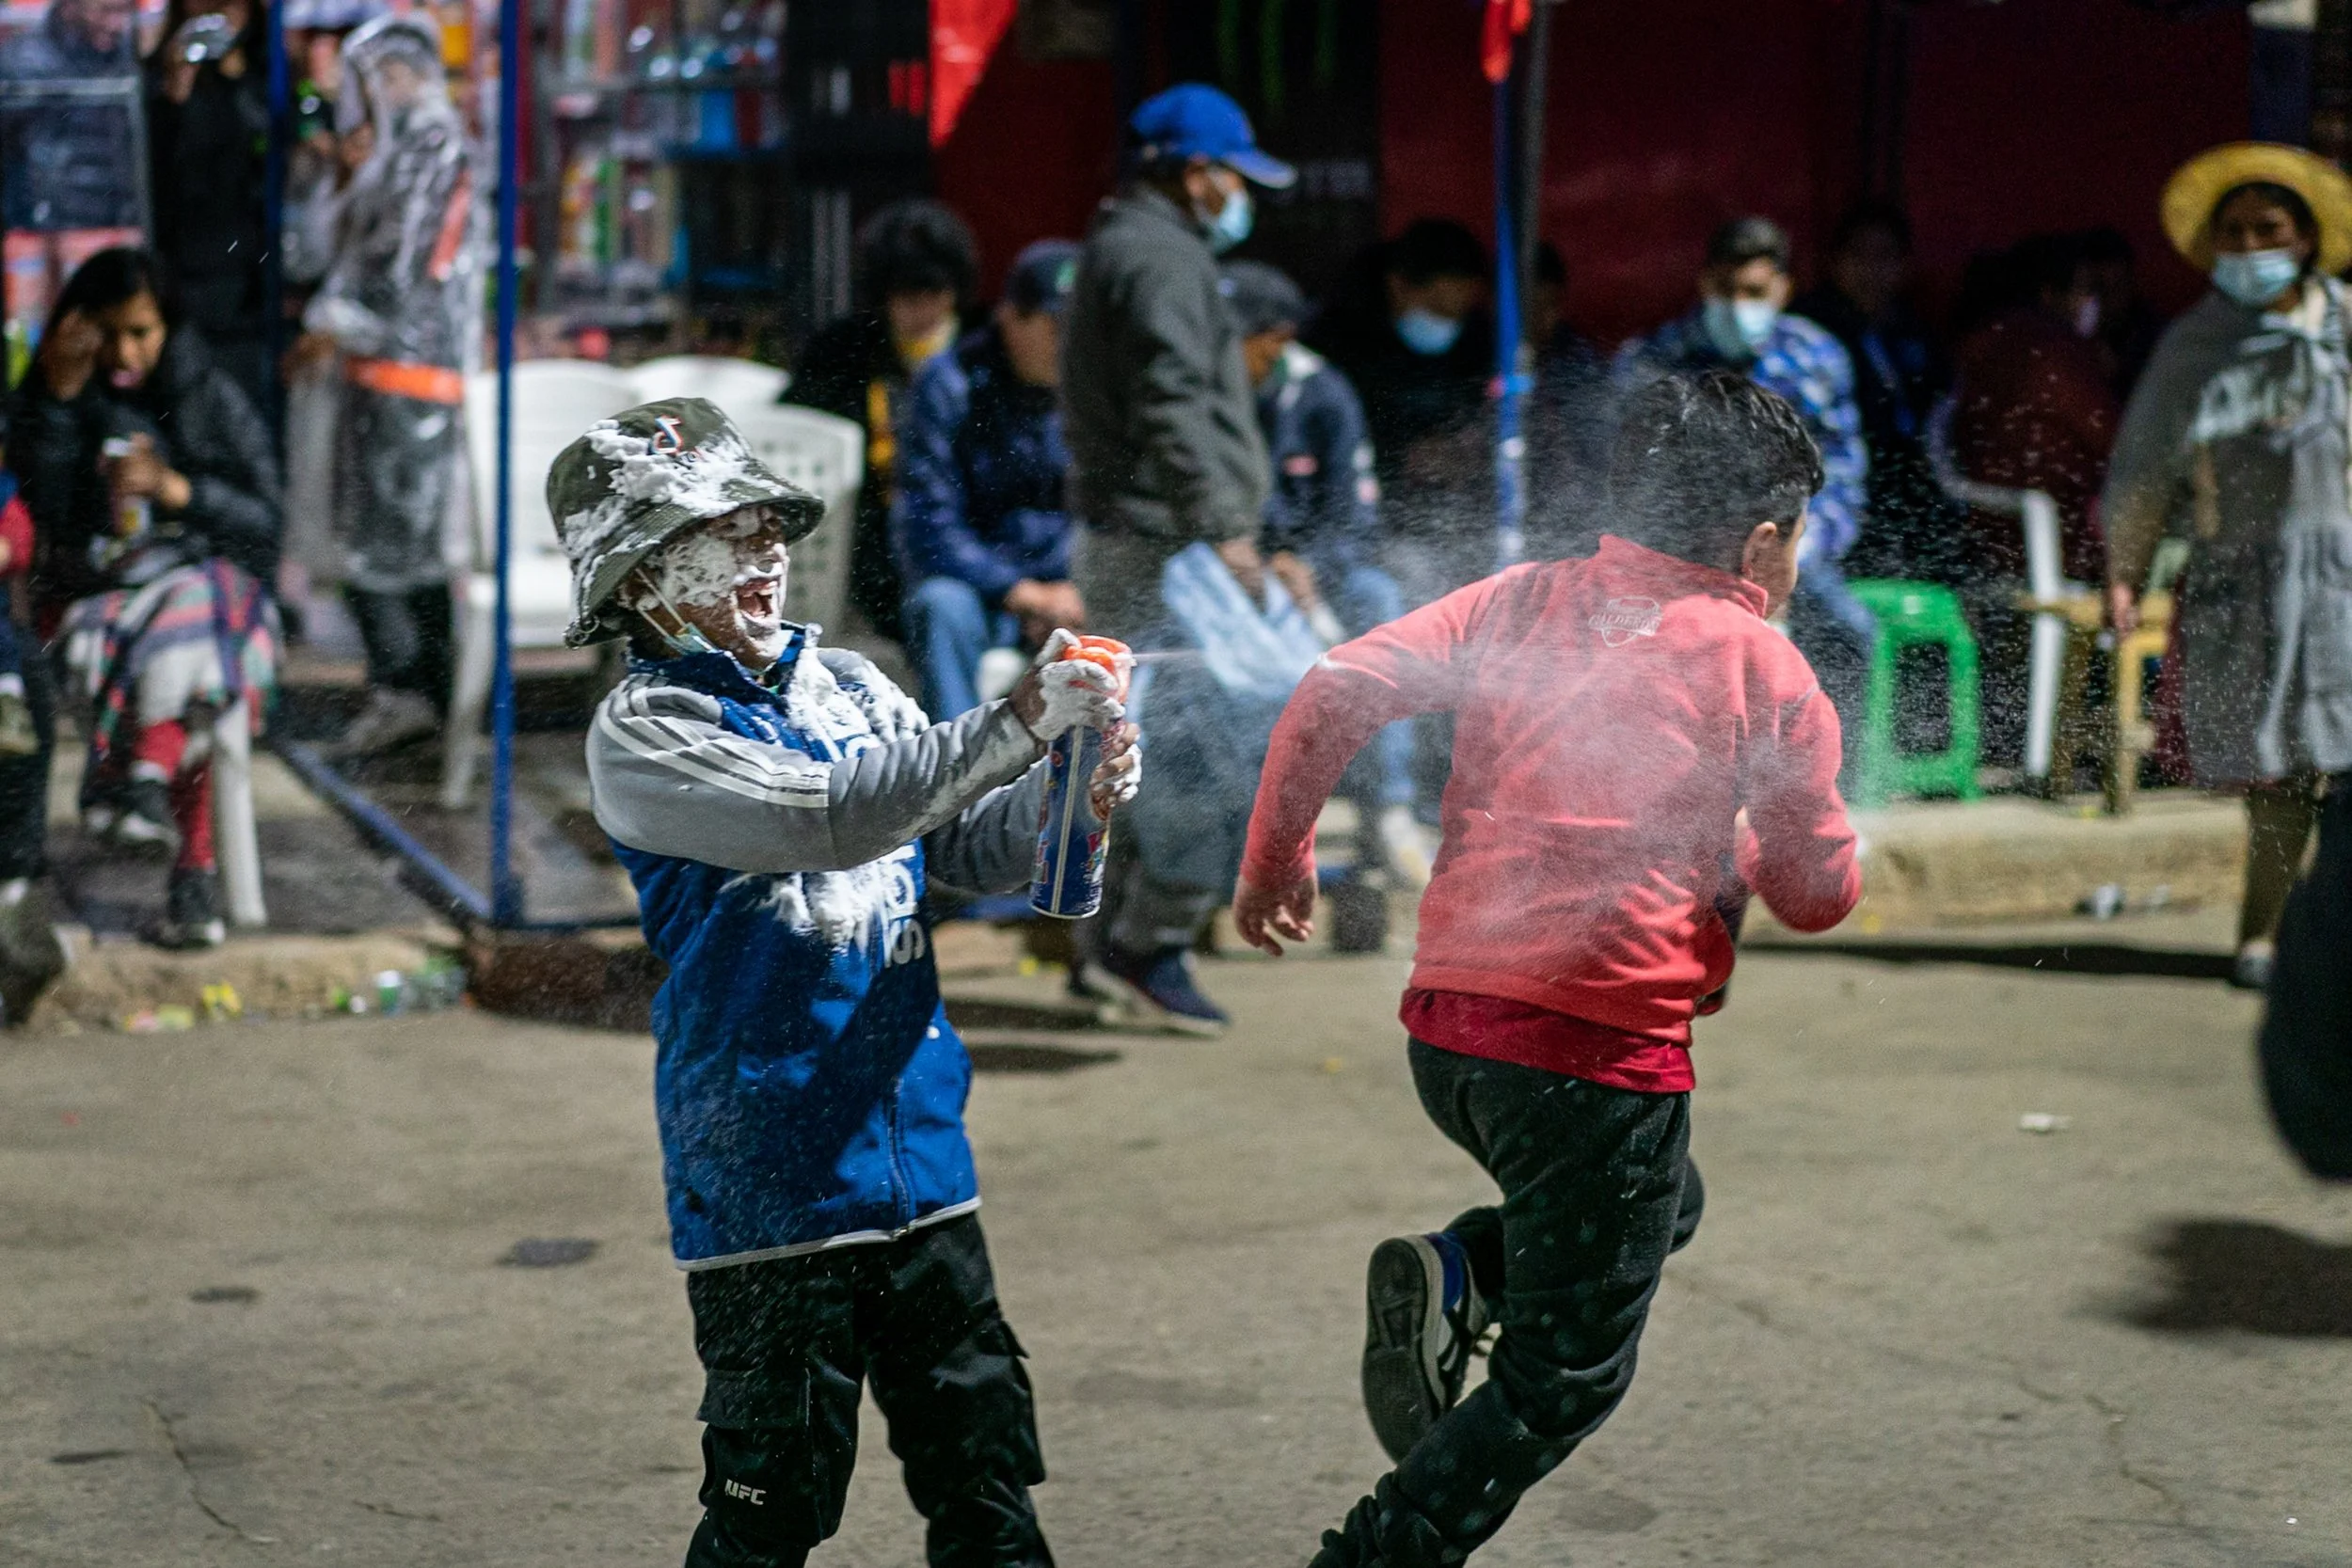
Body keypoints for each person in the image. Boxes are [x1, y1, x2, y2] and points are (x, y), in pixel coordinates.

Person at [1232, 370, 1860, 1568]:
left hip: (1451, 1037)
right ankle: (1374, 1554)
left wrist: (1276, 862)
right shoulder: (1763, 665)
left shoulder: (1520, 598)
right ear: (1762, 539)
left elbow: (1333, 687)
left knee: (1665, 1203)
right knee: (1563, 1373)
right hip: (1591, 1063)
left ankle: (1465, 1264)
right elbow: (1817, 894)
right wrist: (1784, 842)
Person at [562, 397, 1136, 1568]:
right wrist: (1021, 716)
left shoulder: (854, 687)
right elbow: (831, 818)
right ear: (639, 580)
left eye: (768, 521)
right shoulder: (645, 727)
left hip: (925, 1161)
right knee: (770, 1508)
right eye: (719, 532)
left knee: (985, 1478)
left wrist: (1074, 785)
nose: (766, 547)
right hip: (769, 1184)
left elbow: (955, 846)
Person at [1059, 80, 1294, 1032]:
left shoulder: (1131, 246)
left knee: (1126, 747)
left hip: (1142, 542)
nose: (1244, 196)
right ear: (1195, 173)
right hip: (1168, 546)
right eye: (1235, 176)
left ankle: (1100, 943)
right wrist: (1221, 523)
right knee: (1210, 751)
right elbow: (1169, 402)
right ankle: (1146, 942)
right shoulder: (1158, 260)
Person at [2104, 143, 2352, 991]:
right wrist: (2124, 570)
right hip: (2246, 587)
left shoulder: (2348, 327)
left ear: (2310, 238)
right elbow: (2141, 471)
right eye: (2234, 232)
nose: (2251, 247)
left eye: (2269, 229)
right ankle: (2264, 935)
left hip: (2345, 581)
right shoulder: (2195, 346)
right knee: (2278, 769)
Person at [12, 247, 280, 948]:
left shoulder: (204, 392)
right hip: (97, 598)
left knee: (203, 609)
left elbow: (267, 520)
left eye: (142, 331)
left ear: (169, 327)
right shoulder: (53, 393)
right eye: (110, 331)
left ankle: (137, 780)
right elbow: (38, 521)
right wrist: (60, 404)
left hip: (203, 591)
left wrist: (177, 492)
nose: (126, 351)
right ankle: (190, 863)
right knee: (207, 643)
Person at [289, 12, 480, 758]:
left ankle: (415, 691)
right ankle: (416, 691)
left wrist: (338, 318)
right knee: (394, 546)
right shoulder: (408, 148)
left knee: (396, 550)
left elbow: (399, 272)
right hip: (388, 377)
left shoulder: (429, 148)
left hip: (407, 381)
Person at [1617, 216, 1873, 739]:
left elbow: (1844, 475)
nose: (1738, 304)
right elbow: (1632, 480)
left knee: (1850, 632)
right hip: (1679, 557)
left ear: (1784, 289)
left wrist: (1801, 548)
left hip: (1791, 549)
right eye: (1726, 289)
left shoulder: (1816, 359)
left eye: (1754, 291)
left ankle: (1830, 797)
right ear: (1705, 284)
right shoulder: (1652, 360)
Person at [1223, 258, 1430, 886]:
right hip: (1232, 582)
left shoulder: (1322, 394)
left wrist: (1307, 564)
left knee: (1379, 595)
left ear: (1274, 339)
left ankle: (1390, 809)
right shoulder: (1204, 396)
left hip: (1319, 580)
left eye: (1233, 337)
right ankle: (1237, 827)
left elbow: (1354, 519)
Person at [1947, 232, 2120, 768]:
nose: (2093, 303)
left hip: (1987, 533)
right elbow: (2113, 441)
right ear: (2052, 293)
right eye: (2085, 289)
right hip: (2054, 542)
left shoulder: (1980, 341)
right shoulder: (2055, 350)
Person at [894, 238, 1081, 720]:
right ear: (1010, 317)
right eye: (1059, 326)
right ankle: (959, 781)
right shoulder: (948, 384)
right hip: (982, 593)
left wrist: (1073, 587)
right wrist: (1018, 592)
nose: (1072, 343)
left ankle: (1105, 777)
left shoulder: (1094, 390)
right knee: (939, 608)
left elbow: (1108, 508)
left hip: (1070, 589)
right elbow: (928, 525)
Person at [786, 198, 979, 645]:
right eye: (905, 296)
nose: (921, 310)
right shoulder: (843, 352)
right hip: (868, 553)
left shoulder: (980, 354)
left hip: (961, 539)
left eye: (934, 293)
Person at [1308, 219, 1496, 602]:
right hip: (1368, 526)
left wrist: (1468, 447)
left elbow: (1487, 411)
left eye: (1458, 312)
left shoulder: (1477, 339)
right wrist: (1402, 455)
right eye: (1438, 307)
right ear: (1398, 285)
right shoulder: (1338, 339)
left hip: (1447, 514)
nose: (1449, 323)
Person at [1792, 200, 1961, 582]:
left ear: (1904, 265)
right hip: (1839, 486)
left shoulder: (1914, 335)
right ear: (1836, 262)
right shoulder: (1810, 333)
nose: (1872, 269)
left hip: (1910, 487)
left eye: (1885, 256)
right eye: (1860, 255)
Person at [146, 0, 272, 410]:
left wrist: (239, 81)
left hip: (250, 270)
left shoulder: (260, 71)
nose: (220, 19)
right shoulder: (163, 72)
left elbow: (268, 153)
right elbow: (154, 171)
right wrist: (172, 97)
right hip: (185, 261)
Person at [2081, 224, 2164, 400]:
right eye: (2100, 290)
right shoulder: (2071, 332)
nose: (2110, 300)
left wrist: (2120, 374)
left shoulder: (2154, 333)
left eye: (2119, 287)